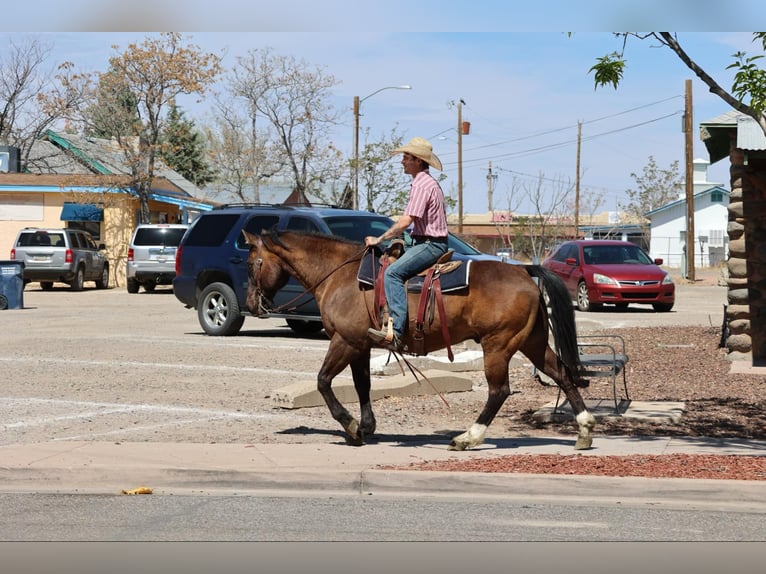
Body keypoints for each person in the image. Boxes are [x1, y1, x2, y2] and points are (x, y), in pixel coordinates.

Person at [364, 137, 449, 352]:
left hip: (430, 245)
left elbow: (406, 221)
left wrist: (379, 239)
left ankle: (397, 333)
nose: (402, 161)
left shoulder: (421, 185)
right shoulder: (427, 182)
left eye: (406, 157)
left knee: (392, 273)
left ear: (418, 161)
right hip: (424, 241)